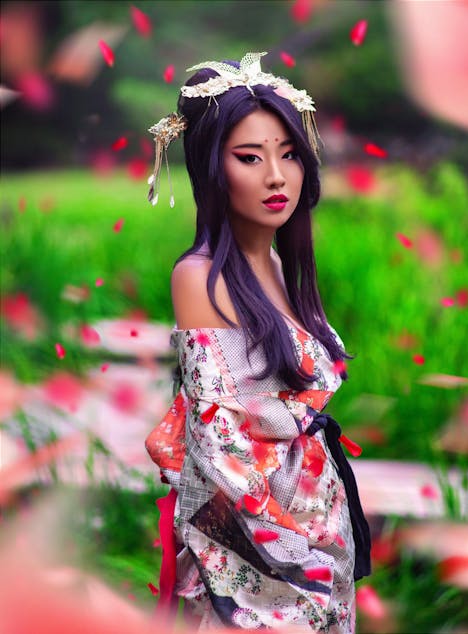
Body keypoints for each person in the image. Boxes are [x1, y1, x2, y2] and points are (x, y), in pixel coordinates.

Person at [145, 52, 371, 633]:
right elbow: (222, 449)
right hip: (253, 551)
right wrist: (303, 559)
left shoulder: (271, 260)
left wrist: (325, 539)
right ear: (211, 169)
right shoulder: (199, 278)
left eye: (289, 154)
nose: (277, 176)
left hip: (314, 524)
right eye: (250, 157)